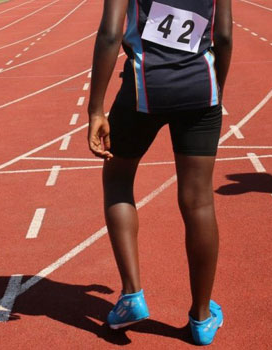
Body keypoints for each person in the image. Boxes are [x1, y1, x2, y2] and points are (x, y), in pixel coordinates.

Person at [87, 0, 231, 345]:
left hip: (143, 88)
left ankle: (132, 296)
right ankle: (201, 317)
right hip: (201, 88)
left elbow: (110, 33)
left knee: (118, 179)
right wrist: (216, 91)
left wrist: (95, 109)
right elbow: (223, 36)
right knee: (199, 202)